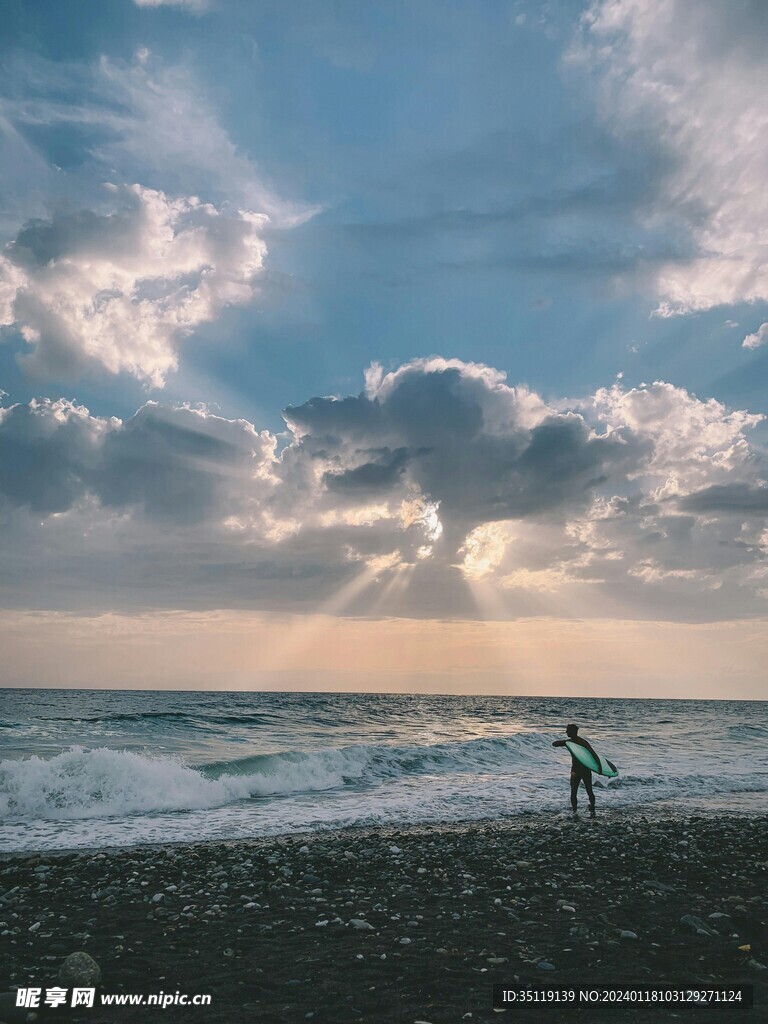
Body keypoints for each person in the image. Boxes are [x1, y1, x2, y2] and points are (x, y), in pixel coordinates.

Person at [552, 723, 597, 817]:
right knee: (577, 791)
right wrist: (564, 742)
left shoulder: (582, 742)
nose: (566, 732)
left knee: (585, 791)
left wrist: (599, 768)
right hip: (579, 770)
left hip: (582, 769)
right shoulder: (570, 742)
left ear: (574, 731)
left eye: (568, 730)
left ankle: (587, 810)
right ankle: (578, 811)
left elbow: (594, 754)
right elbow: (555, 744)